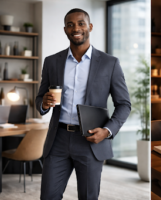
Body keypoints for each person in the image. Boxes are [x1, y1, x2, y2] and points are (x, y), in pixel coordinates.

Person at [35, 8, 131, 200]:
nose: (76, 28)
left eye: (81, 23)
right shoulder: (52, 62)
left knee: (88, 197)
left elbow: (124, 104)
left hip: (90, 140)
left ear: (90, 27)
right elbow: (39, 99)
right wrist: (44, 103)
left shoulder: (109, 63)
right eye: (70, 24)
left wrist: (107, 131)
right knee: (48, 196)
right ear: (65, 30)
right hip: (58, 140)